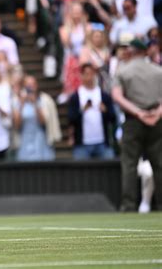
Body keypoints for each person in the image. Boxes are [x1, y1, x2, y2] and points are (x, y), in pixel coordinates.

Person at [112, 38, 162, 212]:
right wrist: (157, 113)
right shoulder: (157, 70)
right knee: (160, 164)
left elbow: (117, 97)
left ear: (131, 51)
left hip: (134, 121)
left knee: (129, 165)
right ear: (145, 51)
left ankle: (129, 205)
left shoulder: (123, 71)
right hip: (157, 120)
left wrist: (138, 112)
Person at [68, 63, 116, 160]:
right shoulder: (75, 97)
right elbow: (71, 119)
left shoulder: (104, 96)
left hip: (103, 142)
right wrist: (82, 110)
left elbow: (113, 117)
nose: (89, 77)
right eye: (86, 74)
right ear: (81, 76)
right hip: (82, 144)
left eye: (92, 74)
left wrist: (105, 111)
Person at [12, 75, 61, 161]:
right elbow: (16, 125)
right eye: (28, 85)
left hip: (41, 141)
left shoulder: (45, 100)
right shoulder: (17, 101)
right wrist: (21, 105)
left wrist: (35, 104)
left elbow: (43, 122)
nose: (30, 87)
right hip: (24, 142)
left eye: (32, 84)